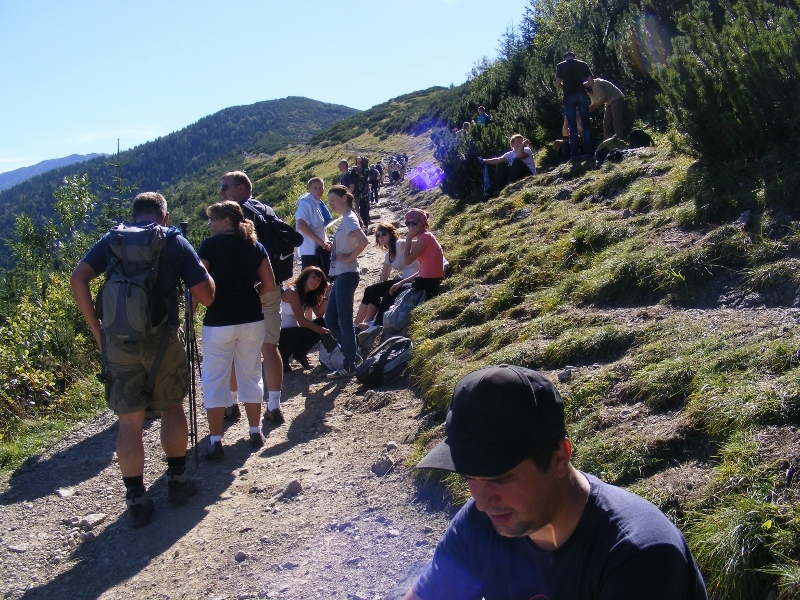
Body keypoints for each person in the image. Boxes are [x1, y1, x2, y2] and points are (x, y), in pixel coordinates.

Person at [403, 364, 708, 600]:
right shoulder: (480, 525)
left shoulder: (639, 555)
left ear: (560, 458)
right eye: (470, 478)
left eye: (500, 478)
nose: (481, 501)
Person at [70, 192, 215, 528]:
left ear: (133, 217)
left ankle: (136, 498)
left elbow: (78, 278)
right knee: (172, 408)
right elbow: (206, 296)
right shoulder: (173, 240)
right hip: (163, 340)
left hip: (118, 343)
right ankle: (177, 480)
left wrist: (97, 330)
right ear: (165, 217)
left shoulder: (113, 240)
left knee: (129, 422)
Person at [198, 201, 276, 458]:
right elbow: (269, 283)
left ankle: (216, 440)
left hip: (218, 319)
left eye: (213, 219)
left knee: (215, 378)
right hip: (251, 317)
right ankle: (255, 431)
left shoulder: (209, 246)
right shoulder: (254, 245)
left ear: (225, 221)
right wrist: (251, 294)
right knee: (251, 374)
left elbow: (198, 284)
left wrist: (197, 307)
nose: (210, 224)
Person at [219, 171, 285, 425]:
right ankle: (274, 405)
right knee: (269, 348)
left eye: (225, 187)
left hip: (244, 291)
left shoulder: (235, 216)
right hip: (271, 286)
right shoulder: (266, 210)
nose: (221, 192)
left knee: (234, 349)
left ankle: (232, 404)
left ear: (241, 188)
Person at [324, 185, 369, 379]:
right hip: (340, 275)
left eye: (333, 200)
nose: (331, 204)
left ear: (344, 198)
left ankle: (349, 363)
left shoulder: (350, 218)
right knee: (330, 319)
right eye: (329, 201)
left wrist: (350, 257)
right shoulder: (346, 219)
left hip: (347, 274)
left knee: (343, 320)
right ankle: (352, 354)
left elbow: (364, 240)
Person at [353, 223, 420, 331]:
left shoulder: (400, 244)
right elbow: (383, 279)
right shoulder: (388, 255)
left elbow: (422, 243)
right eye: (378, 235)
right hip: (404, 279)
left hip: (414, 278)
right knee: (370, 289)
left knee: (376, 289)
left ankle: (370, 323)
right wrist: (378, 289)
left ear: (391, 234)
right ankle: (357, 325)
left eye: (384, 234)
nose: (381, 237)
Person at [278, 266, 329, 372]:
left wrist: (326, 296)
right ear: (305, 276)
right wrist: (321, 331)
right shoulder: (292, 292)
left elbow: (319, 314)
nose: (315, 281)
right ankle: (283, 357)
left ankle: (299, 354)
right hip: (280, 334)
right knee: (316, 329)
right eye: (313, 277)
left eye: (319, 280)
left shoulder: (308, 294)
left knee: (322, 322)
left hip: (293, 331)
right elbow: (302, 321)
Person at [556, 50, 594, 162]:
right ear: (574, 57)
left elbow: (557, 83)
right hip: (582, 94)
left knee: (572, 126)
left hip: (568, 96)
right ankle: (589, 153)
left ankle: (575, 155)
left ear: (565, 58)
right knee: (586, 124)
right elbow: (591, 82)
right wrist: (581, 86)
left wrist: (565, 87)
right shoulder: (583, 64)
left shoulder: (560, 66)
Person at [479, 134, 536, 200]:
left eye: (522, 140)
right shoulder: (510, 154)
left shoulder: (526, 149)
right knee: (501, 165)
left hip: (528, 173)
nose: (521, 142)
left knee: (517, 161)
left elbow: (520, 156)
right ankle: (498, 189)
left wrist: (523, 145)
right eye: (518, 141)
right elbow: (498, 160)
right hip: (517, 175)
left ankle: (511, 183)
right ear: (513, 144)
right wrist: (484, 161)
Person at [295, 177, 332, 272]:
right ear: (309, 189)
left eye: (321, 188)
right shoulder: (305, 204)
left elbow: (319, 228)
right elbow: (301, 225)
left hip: (319, 248)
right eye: (315, 188)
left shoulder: (316, 203)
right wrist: (321, 242)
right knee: (311, 278)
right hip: (310, 250)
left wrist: (325, 241)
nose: (319, 191)